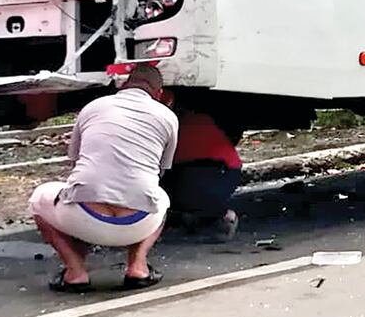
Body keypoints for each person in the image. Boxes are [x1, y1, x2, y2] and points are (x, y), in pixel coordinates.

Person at [28, 65, 177, 293]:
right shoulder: (168, 117)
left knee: (39, 198)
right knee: (161, 198)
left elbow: (75, 160)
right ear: (159, 93)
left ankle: (75, 272)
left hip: (83, 218)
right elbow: (162, 170)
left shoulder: (93, 107)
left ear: (123, 84)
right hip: (137, 224)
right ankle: (138, 267)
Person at [162, 107, 242, 240]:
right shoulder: (197, 119)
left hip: (207, 168)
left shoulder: (168, 123)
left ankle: (214, 214)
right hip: (224, 169)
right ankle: (211, 214)